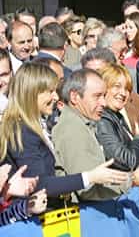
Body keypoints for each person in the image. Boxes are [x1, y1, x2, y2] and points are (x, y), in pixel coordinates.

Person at [0, 63, 129, 204]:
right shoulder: (21, 131)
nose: (56, 97)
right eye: (50, 91)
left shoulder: (32, 127)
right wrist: (89, 177)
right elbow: (38, 183)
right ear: (32, 93)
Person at [53, 68, 139, 201]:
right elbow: (88, 189)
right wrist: (133, 180)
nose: (103, 103)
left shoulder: (84, 124)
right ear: (75, 97)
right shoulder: (72, 129)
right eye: (97, 96)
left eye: (103, 96)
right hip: (90, 216)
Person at [96, 63, 139, 171]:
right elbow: (125, 161)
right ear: (104, 88)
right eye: (117, 86)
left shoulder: (117, 117)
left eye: (127, 89)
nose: (123, 93)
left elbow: (132, 154)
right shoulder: (103, 121)